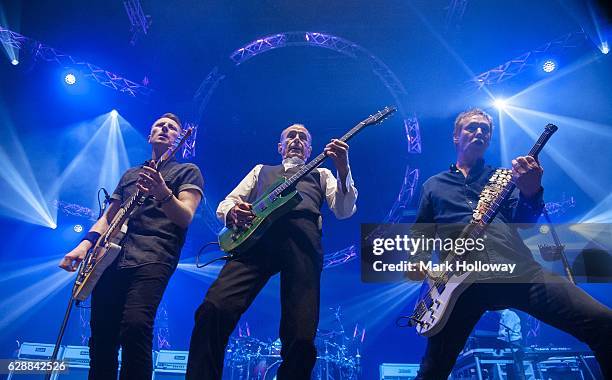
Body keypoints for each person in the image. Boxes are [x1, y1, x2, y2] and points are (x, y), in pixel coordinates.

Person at [407, 108, 612, 379]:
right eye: (471, 128)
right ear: (456, 136)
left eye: (485, 129)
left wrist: (531, 190)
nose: (479, 132)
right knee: (433, 370)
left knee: (604, 323)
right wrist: (418, 261)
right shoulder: (433, 185)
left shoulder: (504, 178)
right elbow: (422, 231)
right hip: (456, 284)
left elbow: (524, 222)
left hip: (517, 270)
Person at [186, 123, 358, 379]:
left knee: (301, 336)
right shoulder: (260, 170)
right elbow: (227, 203)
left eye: (303, 138)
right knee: (213, 309)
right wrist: (233, 212)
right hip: (257, 242)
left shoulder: (322, 174)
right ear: (280, 146)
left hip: (303, 244)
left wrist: (343, 168)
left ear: (310, 149)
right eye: (291, 136)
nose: (297, 140)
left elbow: (344, 210)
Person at [59, 113, 203, 379]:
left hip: (154, 254)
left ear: (179, 139)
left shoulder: (187, 172)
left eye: (172, 128)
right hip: (110, 257)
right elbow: (108, 217)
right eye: (159, 124)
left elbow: (184, 217)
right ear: (150, 135)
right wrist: (83, 247)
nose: (164, 129)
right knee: (102, 333)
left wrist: (162, 191)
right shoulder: (130, 174)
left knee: (135, 327)